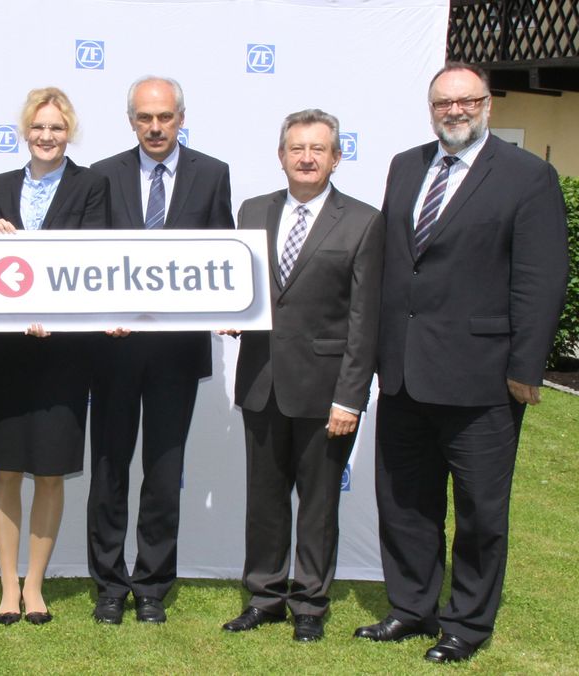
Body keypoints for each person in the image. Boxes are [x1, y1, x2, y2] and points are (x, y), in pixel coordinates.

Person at [354, 62, 568, 663]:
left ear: (487, 105)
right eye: (444, 103)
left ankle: (467, 624)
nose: (455, 111)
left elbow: (541, 278)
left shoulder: (528, 176)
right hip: (402, 372)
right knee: (405, 502)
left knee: (479, 511)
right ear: (431, 109)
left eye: (466, 101)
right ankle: (411, 608)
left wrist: (525, 367)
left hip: (482, 378)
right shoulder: (406, 165)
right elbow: (396, 265)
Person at [220, 110, 384, 642]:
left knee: (318, 505)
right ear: (281, 155)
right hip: (262, 380)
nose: (307, 158)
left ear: (336, 157)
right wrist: (226, 313)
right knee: (263, 502)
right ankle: (265, 596)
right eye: (297, 148)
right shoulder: (252, 211)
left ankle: (310, 604)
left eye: (318, 149)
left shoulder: (363, 221)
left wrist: (351, 398)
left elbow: (365, 320)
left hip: (326, 391)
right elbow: (238, 287)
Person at [87, 76, 233, 624]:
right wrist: (105, 317)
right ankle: (108, 583)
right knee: (108, 470)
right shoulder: (103, 174)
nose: (155, 127)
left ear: (180, 117)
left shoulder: (213, 174)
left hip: (177, 354)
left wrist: (231, 313)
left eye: (165, 117)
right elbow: (87, 264)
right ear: (131, 120)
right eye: (145, 117)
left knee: (164, 472)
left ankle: (151, 584)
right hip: (113, 352)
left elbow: (225, 255)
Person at [0, 87, 109, 626]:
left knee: (51, 471)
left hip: (65, 350)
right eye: (39, 127)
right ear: (24, 132)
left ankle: (35, 586)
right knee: (6, 468)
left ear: (69, 131)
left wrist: (53, 310)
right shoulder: (1, 184)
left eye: (57, 128)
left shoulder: (91, 185)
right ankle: (7, 587)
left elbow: (94, 256)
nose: (47, 136)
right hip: (8, 348)